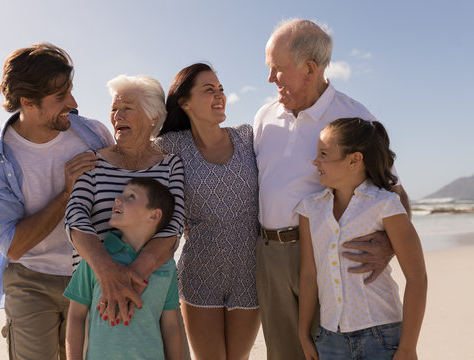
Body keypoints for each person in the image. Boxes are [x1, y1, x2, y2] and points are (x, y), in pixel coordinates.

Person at [253, 19, 411, 359]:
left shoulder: (354, 116)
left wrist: (389, 244)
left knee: (328, 350)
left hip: (327, 254)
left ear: (309, 68)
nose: (269, 79)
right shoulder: (264, 116)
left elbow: (393, 190)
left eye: (277, 69)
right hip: (270, 255)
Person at [0, 43, 114, 359]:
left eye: (70, 91)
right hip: (30, 279)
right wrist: (66, 194)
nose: (73, 103)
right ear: (28, 102)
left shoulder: (94, 135)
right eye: (60, 97)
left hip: (92, 276)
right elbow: (14, 245)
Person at [297, 118, 427, 359]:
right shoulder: (309, 209)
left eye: (324, 154)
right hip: (329, 339)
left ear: (354, 160)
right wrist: (303, 333)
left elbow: (417, 277)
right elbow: (308, 274)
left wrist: (408, 347)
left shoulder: (385, 205)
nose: (316, 162)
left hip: (382, 336)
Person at [65, 74, 186, 330]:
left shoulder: (170, 165)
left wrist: (131, 278)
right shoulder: (91, 161)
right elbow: (76, 217)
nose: (117, 116)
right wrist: (107, 272)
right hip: (95, 290)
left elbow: (173, 226)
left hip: (150, 293)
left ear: (153, 116)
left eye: (127, 108)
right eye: (114, 109)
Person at [156, 63, 260, 360]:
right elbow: (132, 154)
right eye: (209, 90)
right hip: (200, 272)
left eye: (221, 89)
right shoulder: (170, 146)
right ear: (183, 102)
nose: (219, 96)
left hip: (250, 272)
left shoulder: (247, 138)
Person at [65, 178, 183, 360]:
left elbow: (171, 325)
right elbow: (75, 316)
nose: (118, 199)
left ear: (153, 216)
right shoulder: (95, 261)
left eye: (131, 196)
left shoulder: (166, 266)